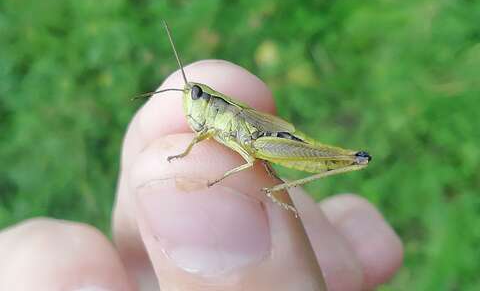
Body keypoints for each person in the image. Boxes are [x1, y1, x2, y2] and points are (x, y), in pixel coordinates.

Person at [0, 60, 403, 290]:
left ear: (213, 101)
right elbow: (206, 137)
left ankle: (342, 163)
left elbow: (247, 158)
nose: (192, 104)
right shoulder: (211, 122)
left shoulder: (228, 116)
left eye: (196, 97)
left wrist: (274, 186)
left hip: (266, 141)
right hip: (255, 144)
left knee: (260, 165)